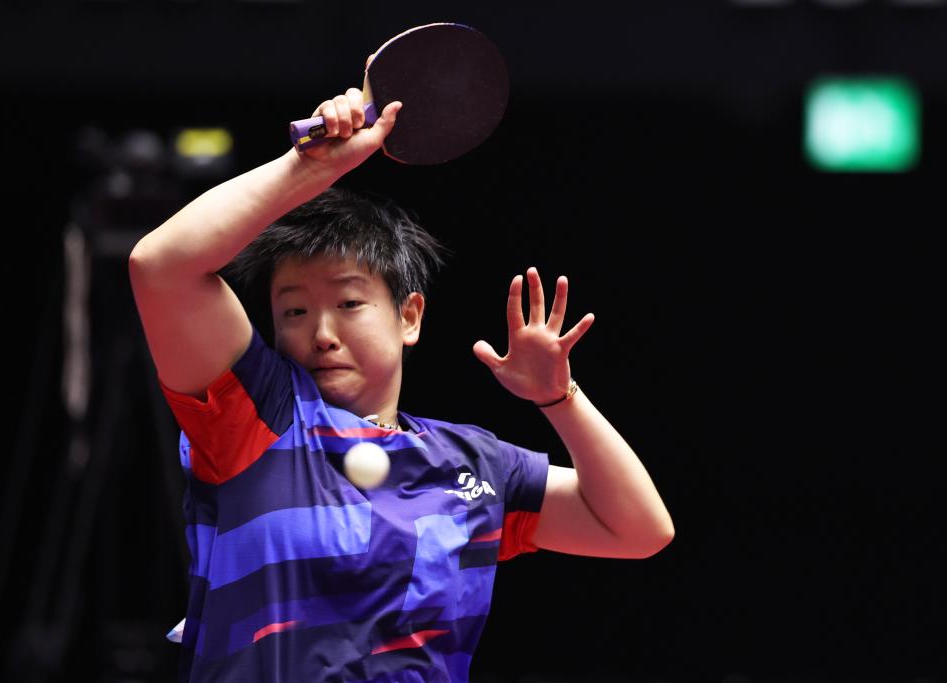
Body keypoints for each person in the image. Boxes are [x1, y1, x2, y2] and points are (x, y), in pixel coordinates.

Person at [129, 88, 674, 682]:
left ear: (409, 317)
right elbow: (161, 267)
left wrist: (559, 399)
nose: (322, 334)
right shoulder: (258, 421)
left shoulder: (471, 467)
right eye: (294, 312)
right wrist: (308, 169)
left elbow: (638, 529)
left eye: (349, 303)